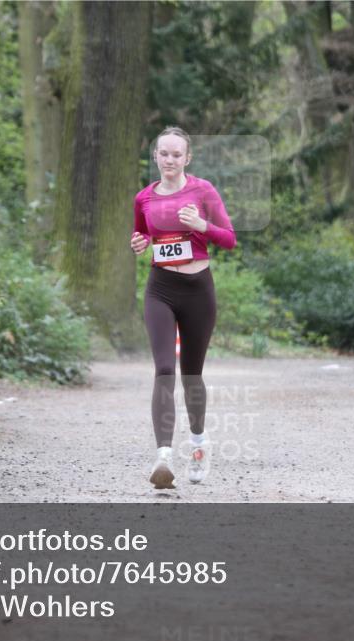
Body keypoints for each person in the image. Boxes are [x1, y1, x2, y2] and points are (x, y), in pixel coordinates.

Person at [130, 127, 237, 489]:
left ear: (187, 158)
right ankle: (162, 456)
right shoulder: (143, 198)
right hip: (160, 288)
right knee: (163, 368)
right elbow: (143, 235)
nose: (170, 160)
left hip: (198, 290)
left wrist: (201, 225)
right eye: (164, 154)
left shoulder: (202, 191)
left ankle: (198, 441)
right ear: (156, 157)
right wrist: (139, 243)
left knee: (192, 374)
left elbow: (230, 238)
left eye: (177, 154)